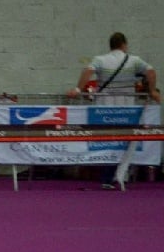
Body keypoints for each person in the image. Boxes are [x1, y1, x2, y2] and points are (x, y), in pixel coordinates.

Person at [66, 32, 161, 189]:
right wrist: (152, 90)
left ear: (110, 45)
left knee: (106, 139)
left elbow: (87, 71)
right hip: (127, 107)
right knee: (125, 139)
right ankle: (120, 175)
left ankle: (107, 177)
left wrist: (78, 89)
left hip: (105, 106)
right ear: (124, 45)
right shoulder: (134, 60)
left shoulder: (100, 59)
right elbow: (151, 72)